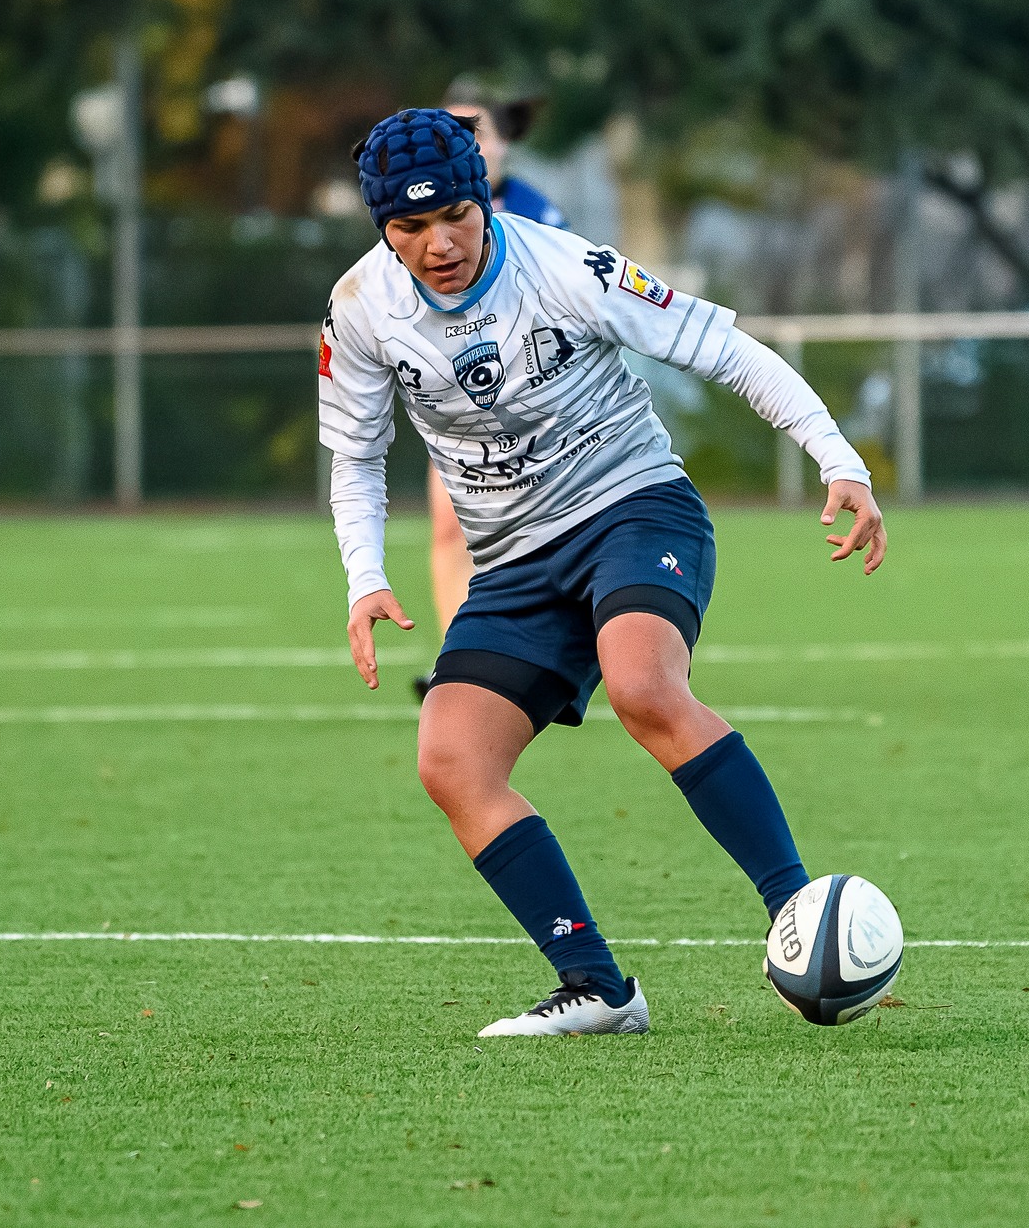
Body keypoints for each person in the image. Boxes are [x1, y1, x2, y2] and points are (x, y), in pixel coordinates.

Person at [319, 108, 885, 1038]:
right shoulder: (359, 305)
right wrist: (363, 574)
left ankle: (796, 908)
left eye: (455, 214)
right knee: (451, 758)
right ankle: (596, 986)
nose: (437, 243)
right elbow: (354, 456)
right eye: (408, 228)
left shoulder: (566, 268)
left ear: (485, 198)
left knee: (641, 682)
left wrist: (838, 458)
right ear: (382, 227)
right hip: (511, 562)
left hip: (633, 508)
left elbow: (724, 348)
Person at [413, 81, 571, 698]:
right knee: (452, 531)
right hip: (456, 405)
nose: (467, 145)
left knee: (553, 532)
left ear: (503, 143)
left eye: (476, 131)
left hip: (537, 406)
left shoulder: (537, 214)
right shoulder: (416, 220)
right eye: (451, 132)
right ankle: (462, 667)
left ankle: (576, 651)